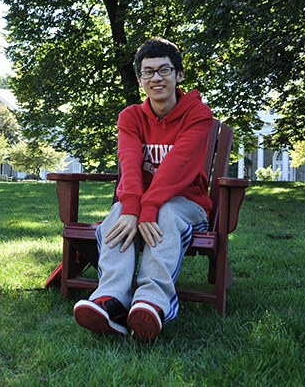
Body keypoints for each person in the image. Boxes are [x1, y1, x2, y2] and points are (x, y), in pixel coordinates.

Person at [73, 38, 213, 342]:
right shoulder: (131, 117)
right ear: (140, 80)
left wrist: (146, 210)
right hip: (142, 206)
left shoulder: (198, 114)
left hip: (188, 204)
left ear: (179, 75)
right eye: (148, 72)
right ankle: (111, 301)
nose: (156, 78)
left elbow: (177, 166)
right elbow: (130, 163)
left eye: (164, 70)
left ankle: (153, 302)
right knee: (119, 213)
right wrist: (134, 209)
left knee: (165, 212)